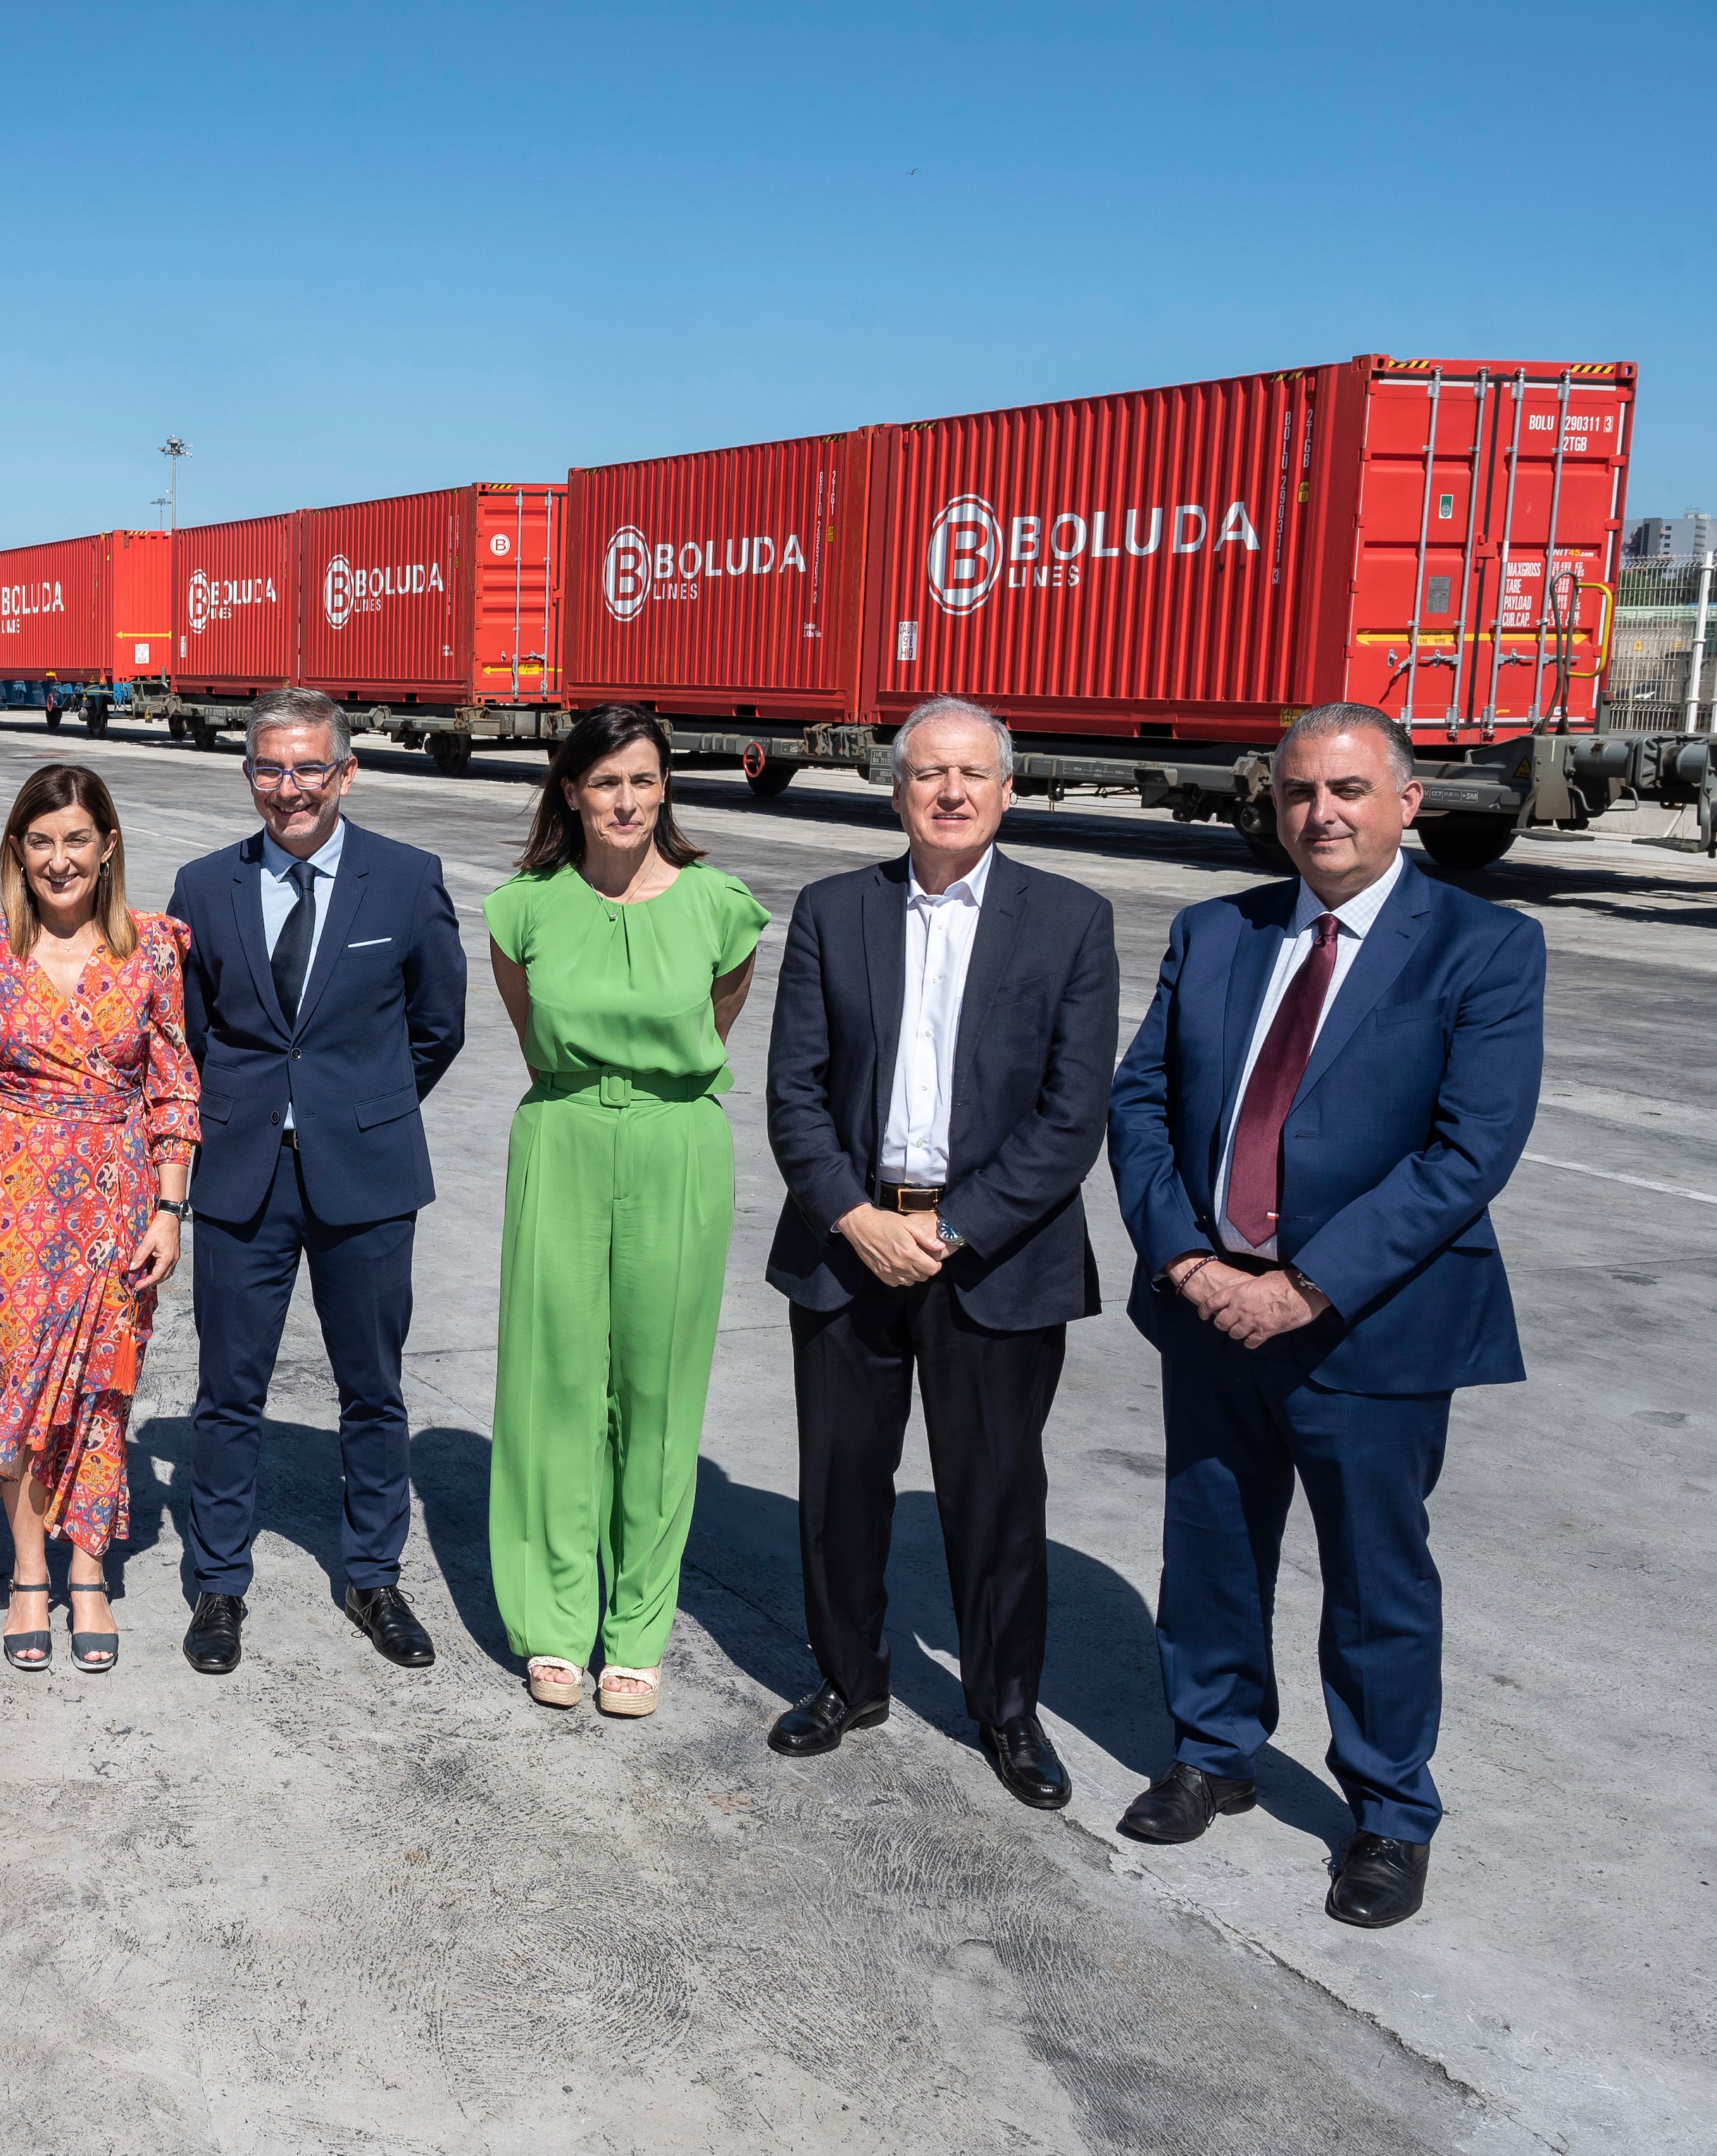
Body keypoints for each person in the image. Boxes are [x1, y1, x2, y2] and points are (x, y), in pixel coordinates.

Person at [1106, 701, 1544, 1929]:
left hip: (1370, 1326)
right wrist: (1190, 1259)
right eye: (1301, 792)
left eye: (1351, 789)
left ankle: (1389, 1814)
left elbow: (1468, 1154)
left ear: (1409, 802)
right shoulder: (1217, 931)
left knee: (1373, 1580)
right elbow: (1139, 1102)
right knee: (1209, 1550)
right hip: (1209, 1313)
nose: (1324, 813)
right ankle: (1213, 1750)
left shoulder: (1484, 946)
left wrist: (1303, 1283)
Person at [758, 696, 1118, 1807]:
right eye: (928, 773)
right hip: (850, 1244)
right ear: (896, 787)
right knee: (841, 1487)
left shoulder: (1069, 918)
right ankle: (848, 1680)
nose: (951, 791)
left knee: (996, 1494)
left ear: (1008, 790)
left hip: (996, 1258)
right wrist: (857, 1217)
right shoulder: (833, 910)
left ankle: (1007, 1712)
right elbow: (794, 1091)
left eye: (973, 773)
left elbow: (1071, 1115)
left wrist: (955, 1227)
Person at [167, 687, 468, 1675]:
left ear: (346, 772)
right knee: (227, 1390)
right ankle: (219, 1583)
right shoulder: (205, 887)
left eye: (307, 768)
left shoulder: (408, 878)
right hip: (243, 1172)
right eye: (268, 767)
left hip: (367, 1174)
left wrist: (361, 1106)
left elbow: (438, 1023)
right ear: (247, 772)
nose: (287, 788)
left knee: (372, 1389)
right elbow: (192, 1033)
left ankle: (373, 1574)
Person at [485, 705, 768, 1717]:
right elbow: (532, 1028)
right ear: (569, 789)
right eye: (605, 781)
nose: (627, 800)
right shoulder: (523, 909)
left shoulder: (720, 906)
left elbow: (718, 1011)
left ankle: (636, 1630)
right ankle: (555, 1620)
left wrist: (652, 1089)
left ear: (666, 788)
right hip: (561, 1132)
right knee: (553, 1380)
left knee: (658, 1389)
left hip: (676, 1139)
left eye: (644, 780)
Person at [0, 765, 200, 1671]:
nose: (59, 858)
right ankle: (28, 1573)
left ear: (107, 845)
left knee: (98, 1390)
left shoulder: (153, 949)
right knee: (10, 1384)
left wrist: (168, 1208)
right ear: (17, 851)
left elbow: (173, 1091)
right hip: (5, 1204)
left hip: (115, 1206)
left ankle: (88, 1572)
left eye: (76, 838)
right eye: (40, 841)